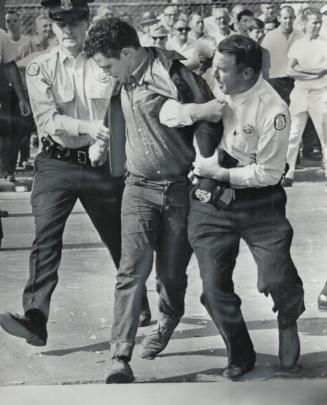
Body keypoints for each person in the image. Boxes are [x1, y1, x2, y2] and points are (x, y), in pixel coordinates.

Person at [0, 0, 151, 348]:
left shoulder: (107, 61)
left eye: (75, 21)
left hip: (103, 163)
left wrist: (110, 141)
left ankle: (137, 300)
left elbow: (127, 102)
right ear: (50, 25)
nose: (68, 30)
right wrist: (89, 127)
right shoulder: (39, 68)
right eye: (59, 22)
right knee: (46, 237)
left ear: (87, 21)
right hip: (57, 162)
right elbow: (48, 121)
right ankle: (35, 318)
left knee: (118, 236)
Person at [84, 17, 220, 383]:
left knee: (171, 276)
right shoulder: (123, 76)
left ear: (128, 53)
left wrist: (206, 166)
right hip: (138, 188)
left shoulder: (173, 74)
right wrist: (103, 145)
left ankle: (168, 318)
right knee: (131, 271)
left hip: (180, 191)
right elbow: (117, 116)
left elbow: (213, 117)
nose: (106, 72)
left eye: (108, 64)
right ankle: (120, 355)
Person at [160, 35, 305, 378]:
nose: (216, 74)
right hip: (210, 200)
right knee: (213, 287)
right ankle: (239, 349)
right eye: (215, 67)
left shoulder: (273, 110)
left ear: (248, 72)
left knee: (276, 275)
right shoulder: (209, 84)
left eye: (223, 70)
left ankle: (287, 315)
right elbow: (165, 111)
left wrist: (220, 171)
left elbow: (269, 174)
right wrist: (194, 110)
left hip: (259, 201)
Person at [283, 8, 327, 187]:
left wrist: (302, 71)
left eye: (319, 22)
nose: (318, 25)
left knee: (324, 135)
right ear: (304, 23)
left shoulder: (325, 43)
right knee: (293, 135)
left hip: (321, 94)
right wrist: (313, 74)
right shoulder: (297, 45)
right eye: (314, 22)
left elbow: (324, 70)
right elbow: (289, 70)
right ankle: (288, 173)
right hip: (300, 94)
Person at [0, 28, 31, 181]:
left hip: (2, 93)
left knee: (8, 133)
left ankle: (5, 171)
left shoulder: (1, 35)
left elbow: (10, 66)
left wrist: (21, 99)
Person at [262, 6, 302, 104]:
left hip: (295, 80)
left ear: (295, 18)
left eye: (290, 17)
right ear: (279, 18)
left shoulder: (300, 36)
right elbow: (264, 61)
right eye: (285, 18)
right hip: (276, 80)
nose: (288, 20)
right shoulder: (270, 36)